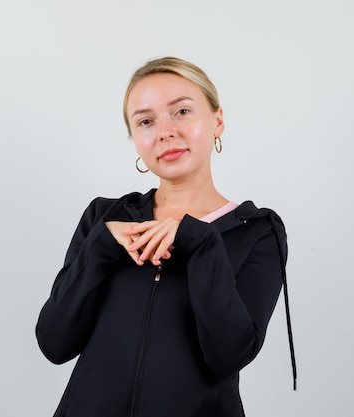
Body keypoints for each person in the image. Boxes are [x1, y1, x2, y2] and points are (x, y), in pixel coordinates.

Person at [36, 57, 296, 417]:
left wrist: (200, 241)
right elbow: (55, 343)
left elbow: (228, 355)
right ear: (134, 139)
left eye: (182, 111)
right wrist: (102, 246)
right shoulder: (105, 218)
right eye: (146, 121)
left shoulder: (256, 231)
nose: (165, 131)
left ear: (217, 120)